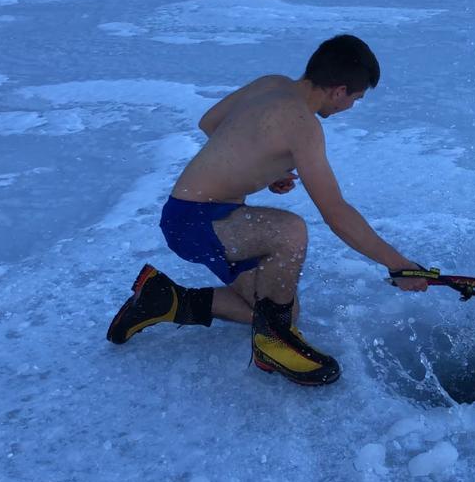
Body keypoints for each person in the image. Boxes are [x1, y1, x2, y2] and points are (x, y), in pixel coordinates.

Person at [106, 34, 427, 386]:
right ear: (338, 90)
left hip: (201, 217)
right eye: (356, 98)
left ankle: (164, 299)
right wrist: (398, 264)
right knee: (289, 231)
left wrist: (265, 168)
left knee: (281, 310)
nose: (351, 106)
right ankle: (272, 343)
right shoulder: (303, 125)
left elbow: (210, 123)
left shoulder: (271, 85)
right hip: (196, 220)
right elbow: (335, 212)